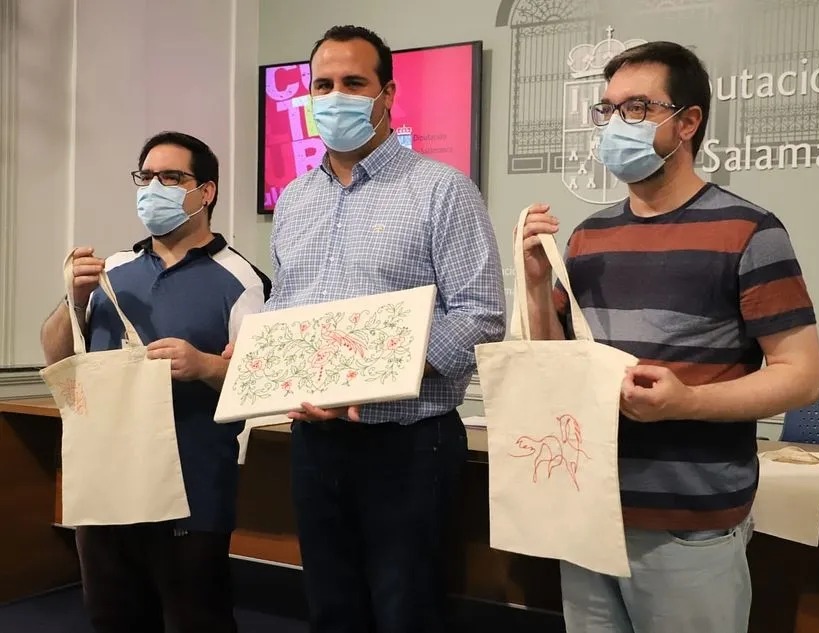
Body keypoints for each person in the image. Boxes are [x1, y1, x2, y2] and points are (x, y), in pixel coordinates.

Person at [520, 42, 819, 633]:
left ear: (687, 122)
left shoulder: (750, 231)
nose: (615, 125)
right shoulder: (588, 236)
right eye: (607, 111)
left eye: (636, 108)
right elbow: (558, 368)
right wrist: (535, 287)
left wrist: (688, 401)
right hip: (587, 509)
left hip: (691, 526)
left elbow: (801, 375)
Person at [261, 23, 505, 633]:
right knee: (330, 609)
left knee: (407, 613)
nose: (335, 95)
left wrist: (369, 373)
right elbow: (286, 309)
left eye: (353, 82)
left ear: (387, 94)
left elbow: (480, 316)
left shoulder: (442, 191)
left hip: (407, 446)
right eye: (323, 84)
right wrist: (264, 357)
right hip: (315, 442)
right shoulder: (294, 201)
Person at [39, 131, 271, 633]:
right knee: (112, 617)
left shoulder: (243, 280)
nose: (153, 187)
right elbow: (56, 356)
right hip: (107, 486)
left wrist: (205, 366)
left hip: (191, 490)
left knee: (196, 620)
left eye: (171, 177)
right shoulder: (113, 270)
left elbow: (263, 382)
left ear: (205, 191)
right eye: (146, 177)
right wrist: (73, 299)